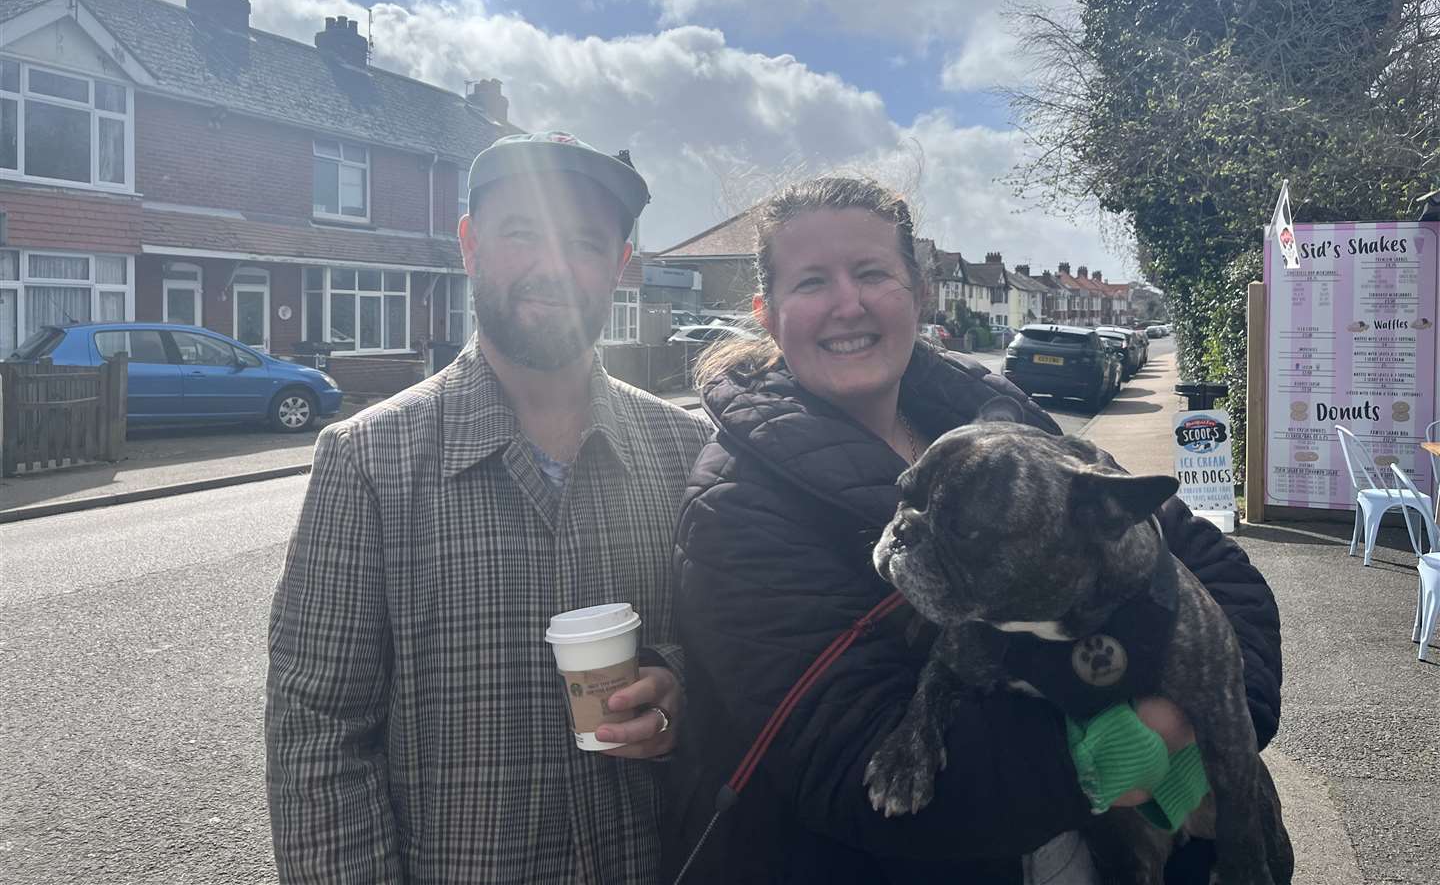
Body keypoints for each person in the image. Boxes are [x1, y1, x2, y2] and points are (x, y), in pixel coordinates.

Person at [668, 176, 1282, 884]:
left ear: (918, 293)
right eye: (811, 282)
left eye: (871, 273)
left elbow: (1219, 569)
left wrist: (1230, 710)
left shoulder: (994, 418)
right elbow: (846, 770)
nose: (848, 303)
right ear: (767, 315)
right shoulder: (737, 504)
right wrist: (1139, 741)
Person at [266, 132, 712, 884]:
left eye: (584, 242)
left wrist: (679, 698)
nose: (552, 267)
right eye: (521, 233)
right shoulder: (366, 461)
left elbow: (731, 670)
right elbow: (318, 734)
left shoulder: (688, 453)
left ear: (620, 267)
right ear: (470, 245)